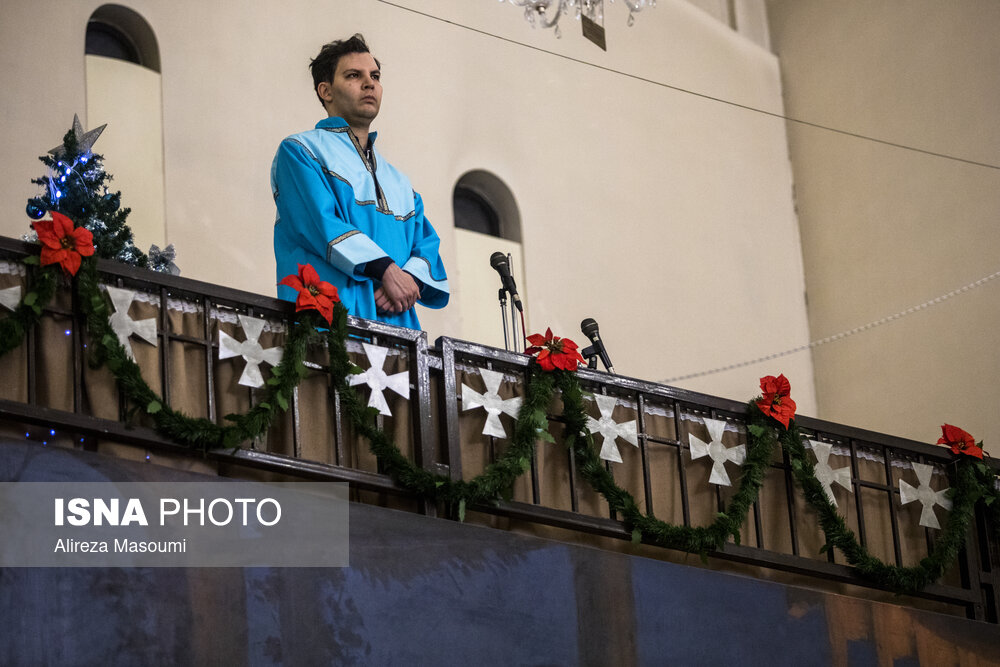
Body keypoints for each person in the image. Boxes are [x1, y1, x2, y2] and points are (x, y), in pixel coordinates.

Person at [272, 34, 448, 329]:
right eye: (354, 75)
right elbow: (320, 223)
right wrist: (387, 271)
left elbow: (427, 246)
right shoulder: (300, 151)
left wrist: (408, 280)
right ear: (326, 91)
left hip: (397, 331)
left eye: (375, 76)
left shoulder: (401, 184)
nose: (369, 84)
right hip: (328, 325)